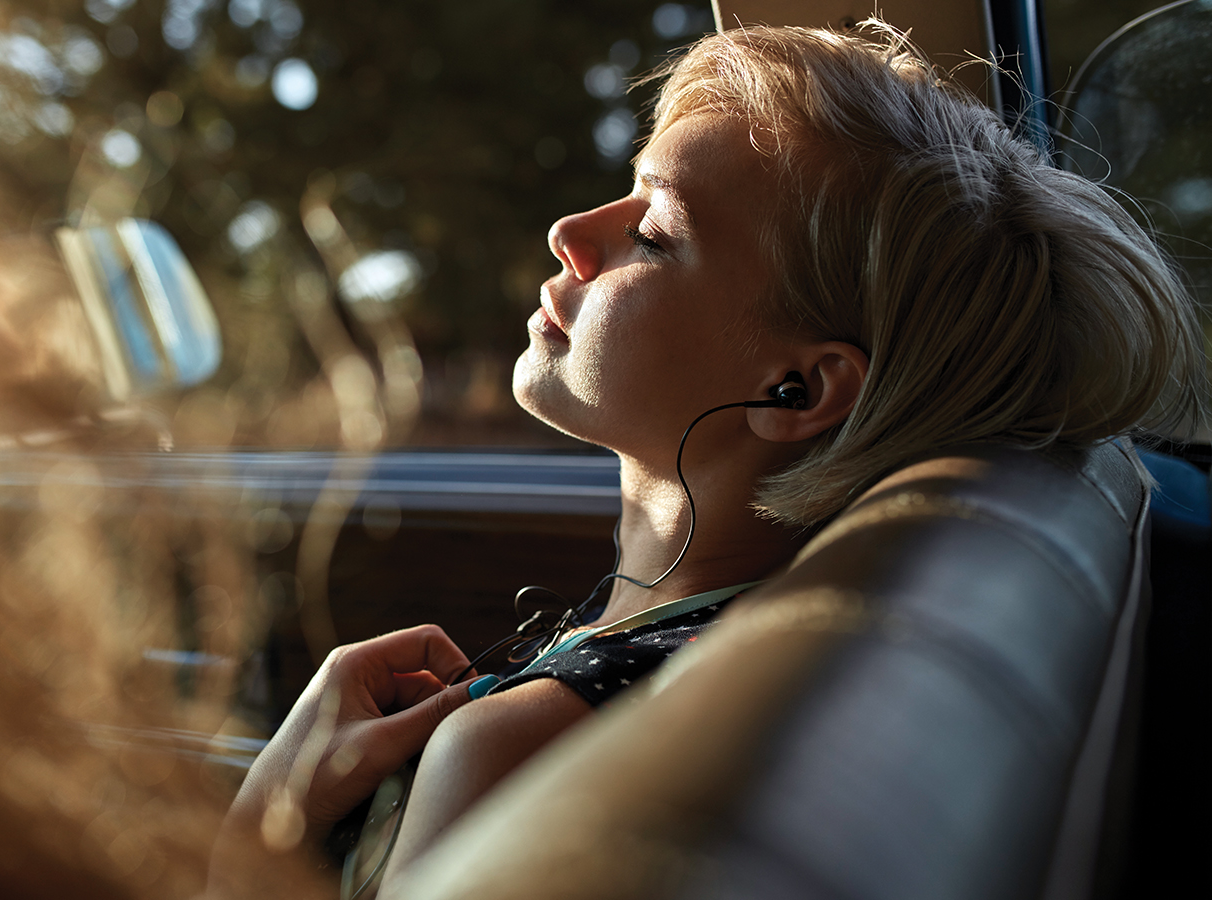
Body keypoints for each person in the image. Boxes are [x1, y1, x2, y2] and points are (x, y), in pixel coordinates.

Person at [210, 20, 1208, 898]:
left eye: (653, 230)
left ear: (801, 392)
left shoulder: (506, 755)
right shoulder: (691, 633)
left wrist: (255, 848)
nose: (569, 235)